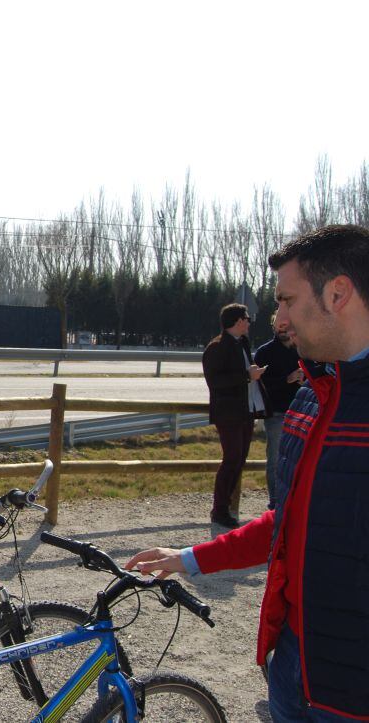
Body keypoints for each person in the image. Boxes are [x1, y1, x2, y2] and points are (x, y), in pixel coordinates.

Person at [126, 224, 369, 721]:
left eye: (286, 300)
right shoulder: (307, 401)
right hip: (291, 675)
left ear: (338, 293)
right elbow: (287, 522)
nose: (278, 320)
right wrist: (191, 558)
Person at [202, 302, 267, 528]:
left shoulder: (242, 343)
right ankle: (219, 509)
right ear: (239, 321)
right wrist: (247, 376)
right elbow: (215, 381)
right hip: (228, 413)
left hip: (245, 411)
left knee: (239, 460)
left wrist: (251, 376)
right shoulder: (217, 347)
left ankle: (226, 507)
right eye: (247, 319)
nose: (249, 322)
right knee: (231, 460)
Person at [253, 312, 304, 510]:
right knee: (275, 458)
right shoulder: (265, 352)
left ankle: (295, 499)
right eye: (280, 326)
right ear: (274, 327)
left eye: (287, 326)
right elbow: (261, 385)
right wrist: (287, 379)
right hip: (276, 413)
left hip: (302, 412)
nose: (284, 329)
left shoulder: (302, 349)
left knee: (300, 458)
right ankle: (275, 502)